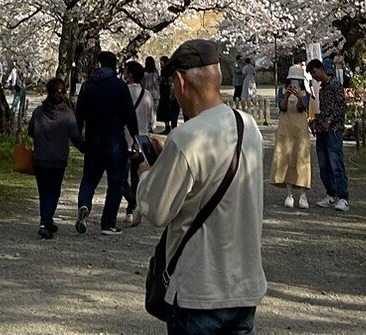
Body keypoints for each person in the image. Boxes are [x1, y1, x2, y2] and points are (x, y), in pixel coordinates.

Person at [139, 39, 265, 335]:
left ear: (181, 81)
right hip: (244, 285)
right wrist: (170, 153)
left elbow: (156, 212)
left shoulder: (186, 138)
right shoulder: (249, 126)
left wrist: (147, 173)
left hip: (199, 289)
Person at [73, 51, 136, 235]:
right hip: (115, 139)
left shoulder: (87, 86)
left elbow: (79, 116)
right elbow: (129, 114)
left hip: (94, 138)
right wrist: (136, 137)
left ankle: (84, 205)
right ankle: (108, 223)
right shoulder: (120, 86)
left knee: (89, 179)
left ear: (99, 64)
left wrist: (79, 140)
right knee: (116, 182)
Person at [28, 76, 82, 238]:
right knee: (53, 192)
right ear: (64, 93)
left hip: (39, 158)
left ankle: (47, 220)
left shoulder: (38, 112)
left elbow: (31, 131)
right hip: (57, 160)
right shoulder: (67, 114)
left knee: (44, 191)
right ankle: (45, 222)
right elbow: (75, 136)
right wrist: (86, 149)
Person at [304, 58, 350, 212]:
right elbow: (323, 110)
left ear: (321, 69)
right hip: (322, 131)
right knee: (324, 164)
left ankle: (343, 196)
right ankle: (330, 193)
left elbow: (341, 106)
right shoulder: (322, 89)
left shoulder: (335, 85)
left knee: (336, 163)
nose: (314, 76)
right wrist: (316, 123)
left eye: (314, 72)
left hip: (334, 130)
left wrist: (329, 121)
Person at [270, 65, 313, 210]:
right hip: (285, 129)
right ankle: (289, 194)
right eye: (293, 80)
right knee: (285, 158)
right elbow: (282, 107)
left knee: (301, 158)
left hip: (300, 130)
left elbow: (302, 108)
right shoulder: (282, 92)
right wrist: (287, 95)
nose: (295, 83)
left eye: (297, 80)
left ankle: (302, 195)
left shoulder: (305, 93)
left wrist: (300, 98)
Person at [125, 59, 159, 226]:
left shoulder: (123, 92)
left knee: (120, 178)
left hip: (125, 140)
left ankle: (131, 204)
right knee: (137, 176)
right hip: (143, 140)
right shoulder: (147, 95)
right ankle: (134, 207)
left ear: (129, 75)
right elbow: (152, 120)